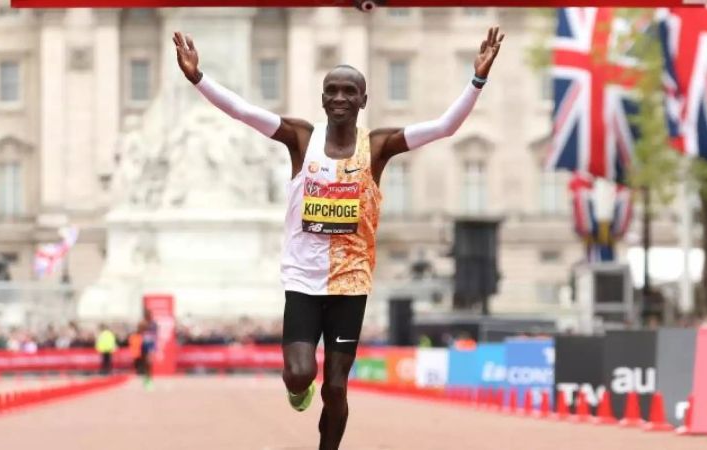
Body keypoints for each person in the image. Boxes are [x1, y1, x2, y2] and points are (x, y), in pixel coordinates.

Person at [174, 26, 504, 450]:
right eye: (333, 90)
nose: (341, 98)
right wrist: (198, 78)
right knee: (299, 373)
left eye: (350, 91)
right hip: (303, 280)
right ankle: (298, 389)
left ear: (363, 100)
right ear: (323, 98)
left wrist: (477, 79)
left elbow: (444, 127)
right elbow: (242, 111)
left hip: (351, 282)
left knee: (336, 387)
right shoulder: (299, 139)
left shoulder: (379, 146)